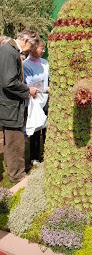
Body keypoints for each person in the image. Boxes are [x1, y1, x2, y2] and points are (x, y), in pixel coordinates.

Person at [0, 30, 40, 183]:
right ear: (26, 40)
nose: (30, 50)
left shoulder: (8, 50)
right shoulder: (9, 51)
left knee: (10, 141)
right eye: (31, 46)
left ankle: (13, 170)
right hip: (10, 107)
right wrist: (27, 89)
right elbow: (9, 81)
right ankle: (18, 177)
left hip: (9, 105)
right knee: (15, 142)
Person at [24, 39, 49, 165]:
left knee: (47, 128)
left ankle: (47, 154)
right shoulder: (26, 64)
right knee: (36, 128)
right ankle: (34, 157)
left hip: (46, 99)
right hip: (34, 100)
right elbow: (28, 84)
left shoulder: (45, 63)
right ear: (33, 48)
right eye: (41, 48)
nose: (44, 50)